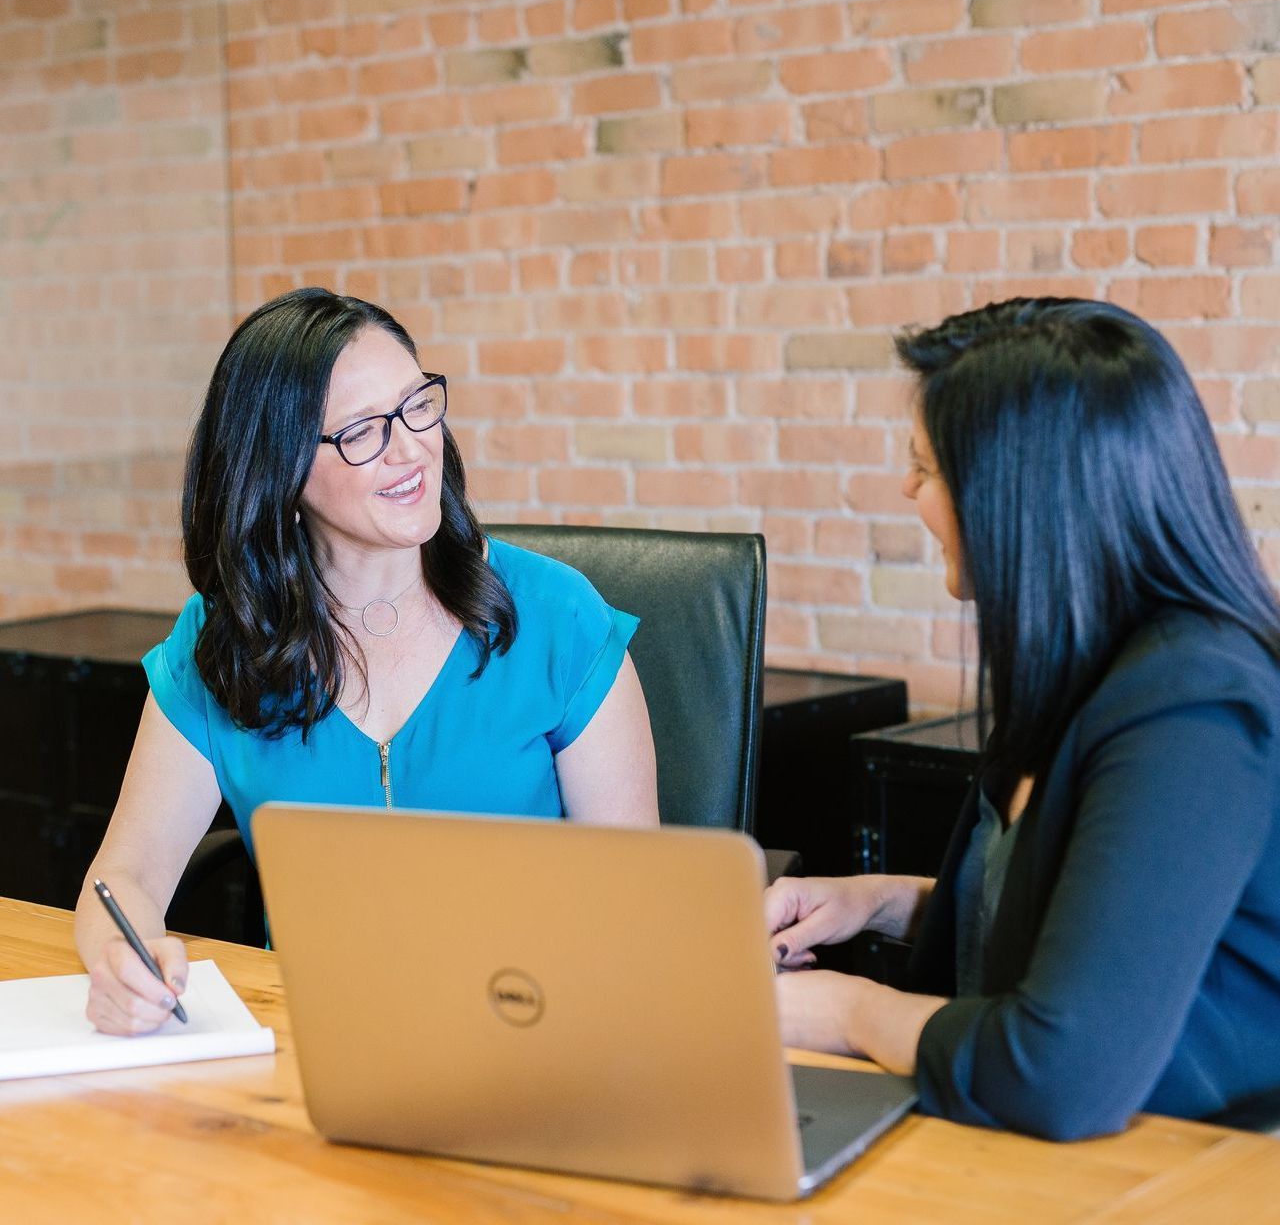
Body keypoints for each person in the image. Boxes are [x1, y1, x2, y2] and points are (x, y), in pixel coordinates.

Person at [76, 288, 657, 1035]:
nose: (412, 447)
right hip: (318, 1044)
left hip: (538, 1031)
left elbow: (637, 901)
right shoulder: (223, 644)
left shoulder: (557, 617)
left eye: (419, 406)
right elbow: (122, 877)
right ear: (280, 472)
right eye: (361, 432)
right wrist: (119, 964)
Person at [766, 297, 1280, 1139]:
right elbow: (1079, 923)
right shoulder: (1083, 665)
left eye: (925, 468)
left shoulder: (1194, 707)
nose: (907, 489)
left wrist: (849, 1012)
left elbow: (1059, 1070)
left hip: (1192, 1169)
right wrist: (879, 901)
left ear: (1017, 497)